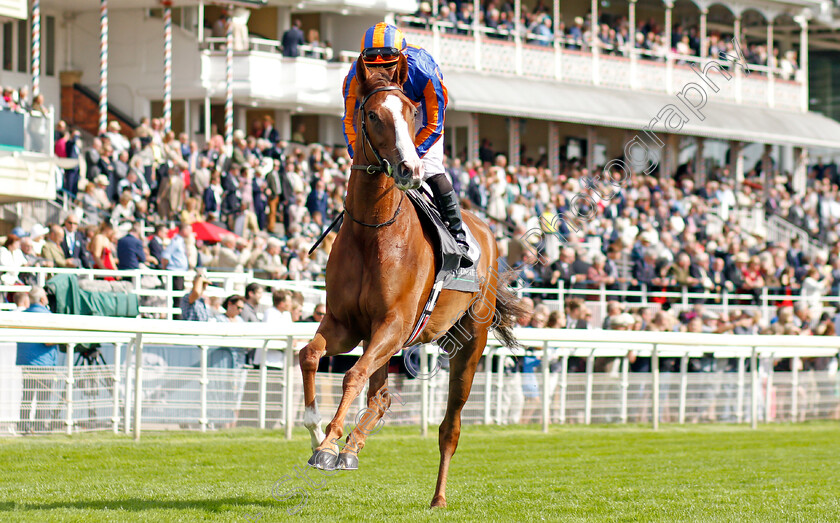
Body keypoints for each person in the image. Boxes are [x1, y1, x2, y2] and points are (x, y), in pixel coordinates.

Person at [342, 23, 471, 265]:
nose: (380, 71)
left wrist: (412, 154)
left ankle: (458, 235)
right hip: (381, 112)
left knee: (431, 168)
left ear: (401, 60)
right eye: (373, 65)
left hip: (419, 111)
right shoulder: (354, 76)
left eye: (388, 65)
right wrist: (358, 156)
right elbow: (350, 120)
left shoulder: (423, 69)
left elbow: (434, 122)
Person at [16, 286, 59, 433]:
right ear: (42, 299)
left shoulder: (23, 314)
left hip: (26, 362)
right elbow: (48, 341)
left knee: (27, 396)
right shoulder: (47, 316)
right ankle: (40, 427)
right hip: (43, 363)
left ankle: (23, 427)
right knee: (43, 398)